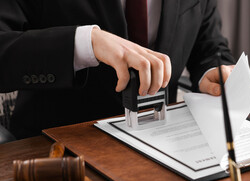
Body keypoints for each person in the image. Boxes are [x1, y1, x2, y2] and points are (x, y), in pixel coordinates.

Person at [0, 0, 235, 139]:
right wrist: (86, 43)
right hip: (59, 150)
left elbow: (209, 45)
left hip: (167, 145)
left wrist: (212, 72)